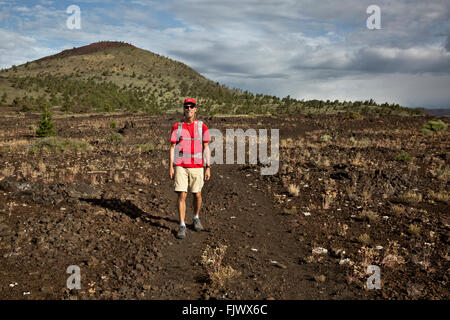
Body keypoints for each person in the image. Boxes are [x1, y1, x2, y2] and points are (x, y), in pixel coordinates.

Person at [169, 98, 211, 239]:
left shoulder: (202, 127)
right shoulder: (177, 127)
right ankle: (182, 225)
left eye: (191, 106)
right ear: (184, 109)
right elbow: (172, 148)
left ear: (195, 109)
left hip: (197, 166)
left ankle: (196, 217)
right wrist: (171, 167)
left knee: (197, 194)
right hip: (181, 165)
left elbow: (206, 148)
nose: (189, 109)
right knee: (182, 195)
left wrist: (208, 167)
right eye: (186, 106)